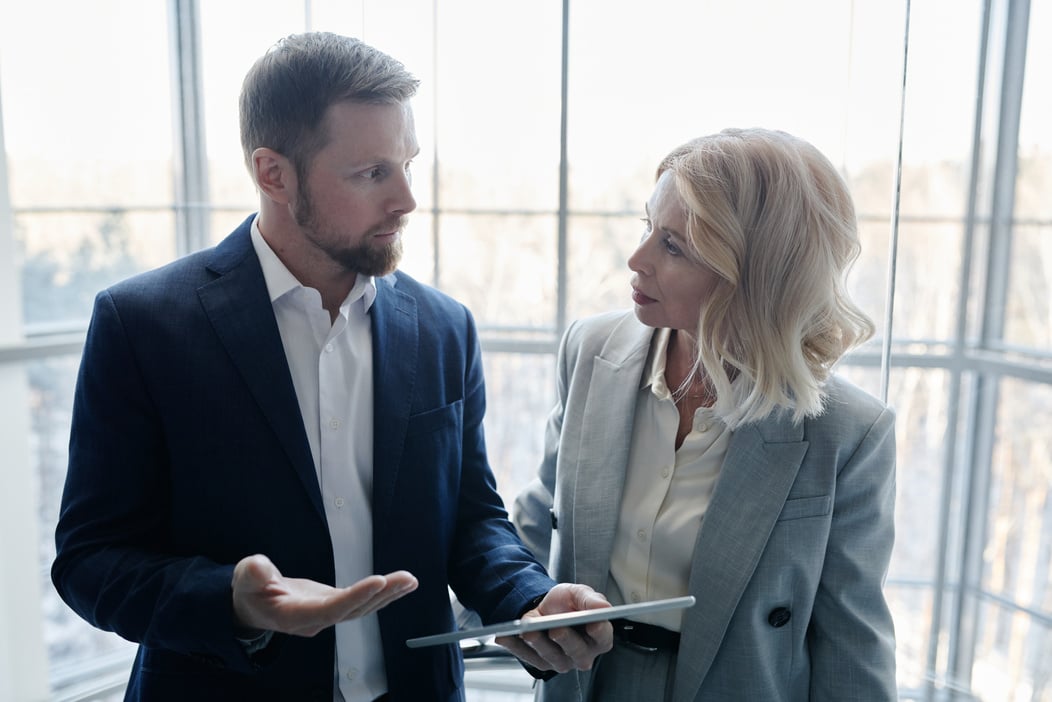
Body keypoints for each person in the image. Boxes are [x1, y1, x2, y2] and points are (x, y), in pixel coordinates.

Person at [51, 31, 611, 702]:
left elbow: (471, 520)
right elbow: (91, 561)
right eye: (371, 172)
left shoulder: (444, 328)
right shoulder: (141, 325)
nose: (406, 199)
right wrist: (232, 601)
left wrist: (529, 599)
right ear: (274, 174)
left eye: (408, 164)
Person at [512, 128, 898, 701]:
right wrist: (518, 603)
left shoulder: (847, 432)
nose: (636, 259)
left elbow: (851, 641)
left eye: (673, 246)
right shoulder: (591, 350)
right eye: (648, 226)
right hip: (583, 686)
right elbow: (537, 520)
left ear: (756, 276)